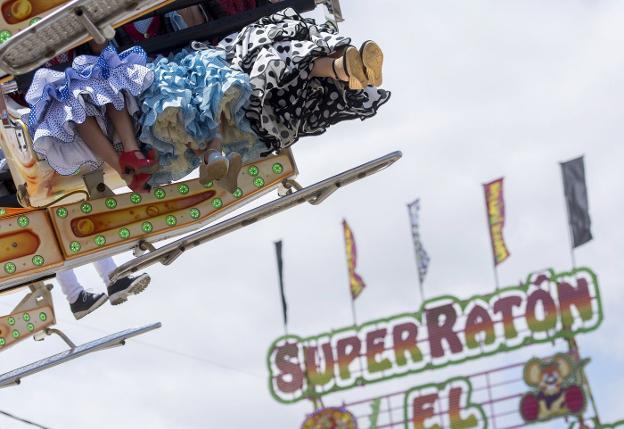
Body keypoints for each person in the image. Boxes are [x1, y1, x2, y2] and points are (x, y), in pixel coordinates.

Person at [217, 7, 391, 155]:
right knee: (285, 47)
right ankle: (349, 63)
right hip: (272, 86)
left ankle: (350, 65)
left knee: (297, 39)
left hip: (291, 93)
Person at [23, 42, 158, 193]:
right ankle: (126, 166)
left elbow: (99, 47)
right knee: (71, 102)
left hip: (84, 74)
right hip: (50, 93)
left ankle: (131, 154)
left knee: (107, 75)